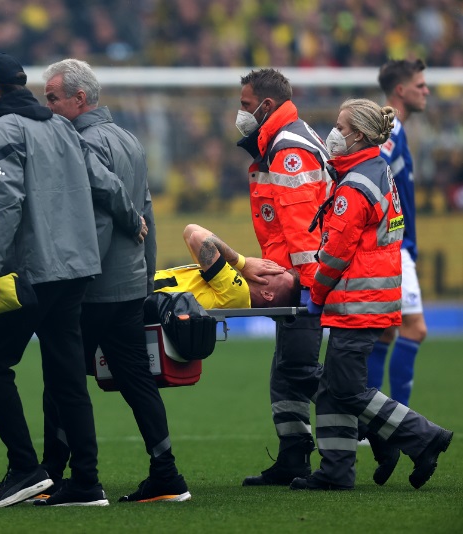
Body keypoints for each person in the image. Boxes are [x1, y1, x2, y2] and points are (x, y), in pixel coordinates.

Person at [0, 52, 146, 508]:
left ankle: (26, 469)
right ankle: (86, 482)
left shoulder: (2, 130)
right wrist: (130, 218)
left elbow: (8, 202)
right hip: (78, 270)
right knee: (66, 378)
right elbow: (103, 181)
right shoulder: (61, 126)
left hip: (37, 271)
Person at [36, 58, 189, 504]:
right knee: (136, 379)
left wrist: (76, 278)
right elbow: (147, 214)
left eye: (52, 98)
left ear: (78, 100)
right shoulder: (128, 140)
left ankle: (57, 476)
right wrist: (146, 277)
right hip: (128, 284)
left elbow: (102, 216)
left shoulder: (79, 142)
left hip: (92, 286)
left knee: (62, 380)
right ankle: (167, 473)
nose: (46, 108)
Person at [291, 98, 452, 490]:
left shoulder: (356, 184)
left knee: (345, 389)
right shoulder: (375, 172)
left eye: (340, 125)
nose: (334, 132)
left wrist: (317, 290)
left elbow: (334, 254)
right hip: (371, 299)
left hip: (356, 302)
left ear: (358, 134)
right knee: (332, 388)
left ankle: (423, 436)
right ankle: (335, 471)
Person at [234, 68, 331, 486]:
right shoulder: (282, 140)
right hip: (298, 277)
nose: (240, 114)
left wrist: (310, 287)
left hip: (306, 281)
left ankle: (400, 432)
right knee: (285, 372)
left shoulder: (288, 149)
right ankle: (293, 456)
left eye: (244, 105)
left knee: (298, 370)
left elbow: (302, 229)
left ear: (265, 105)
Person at [367, 59, 431, 407]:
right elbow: (373, 174)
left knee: (387, 330)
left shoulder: (396, 130)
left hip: (393, 244)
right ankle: (401, 421)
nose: (427, 92)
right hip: (394, 242)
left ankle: (368, 423)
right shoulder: (389, 131)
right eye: (420, 86)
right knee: (414, 329)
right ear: (401, 90)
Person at [154, 224, 299, 309]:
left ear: (267, 295)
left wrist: (243, 263)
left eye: (277, 273)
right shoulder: (225, 284)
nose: (270, 266)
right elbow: (190, 230)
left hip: (143, 295)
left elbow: (198, 238)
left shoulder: (239, 294)